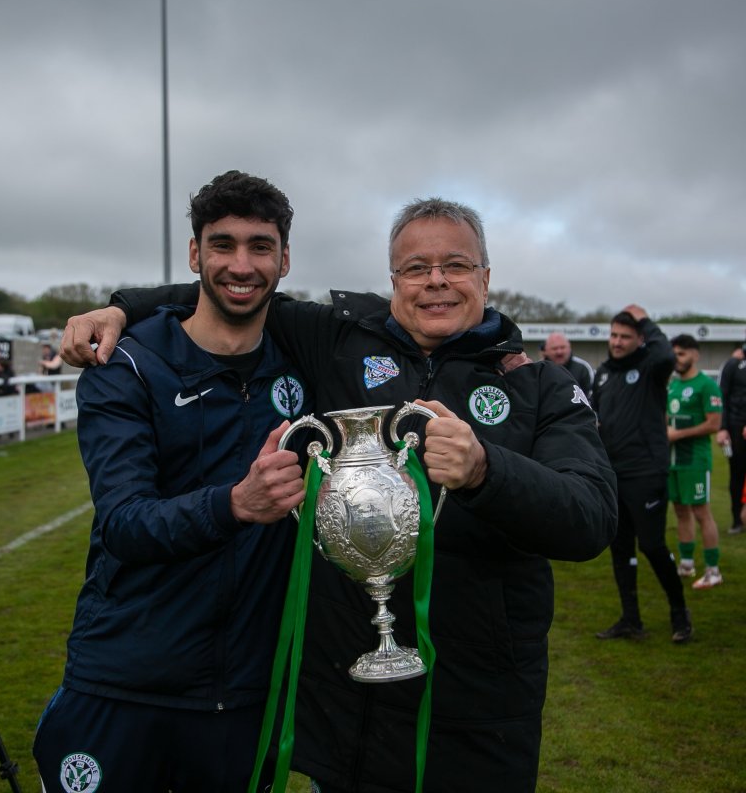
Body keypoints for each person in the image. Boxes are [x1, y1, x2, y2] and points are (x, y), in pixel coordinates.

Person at [61, 197, 617, 792]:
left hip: (478, 713)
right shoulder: (336, 341)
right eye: (415, 268)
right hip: (348, 713)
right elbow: (238, 284)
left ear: (486, 277)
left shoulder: (539, 386)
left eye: (455, 265)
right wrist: (119, 309)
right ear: (392, 280)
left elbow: (590, 518)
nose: (436, 282)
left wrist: (486, 469)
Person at [34, 171, 312, 793]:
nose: (241, 264)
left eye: (260, 247)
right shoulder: (127, 364)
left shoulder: (304, 359)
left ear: (285, 259)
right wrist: (237, 504)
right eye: (222, 245)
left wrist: (504, 346)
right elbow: (125, 522)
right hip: (125, 682)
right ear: (195, 254)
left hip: (244, 695)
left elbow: (404, 319)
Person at [592, 306, 692, 644]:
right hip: (613, 474)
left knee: (651, 544)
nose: (617, 342)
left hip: (645, 472)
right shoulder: (604, 372)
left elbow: (667, 355)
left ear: (640, 339)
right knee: (620, 549)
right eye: (614, 335)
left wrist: (647, 321)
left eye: (625, 337)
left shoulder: (651, 366)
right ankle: (630, 619)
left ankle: (680, 614)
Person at [667, 334, 723, 588]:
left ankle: (713, 570)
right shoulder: (673, 385)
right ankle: (686, 563)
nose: (677, 359)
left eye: (681, 353)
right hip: (673, 459)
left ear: (695, 355)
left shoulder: (706, 385)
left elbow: (714, 424)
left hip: (695, 459)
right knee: (680, 510)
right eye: (674, 354)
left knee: (702, 512)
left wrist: (678, 434)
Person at [716, 339, 746, 535]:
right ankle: (737, 520)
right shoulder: (733, 364)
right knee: (737, 474)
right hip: (736, 429)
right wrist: (723, 428)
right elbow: (723, 397)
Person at [542, 331, 594, 397]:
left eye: (562, 347)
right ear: (546, 350)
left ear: (569, 348)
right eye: (554, 348)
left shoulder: (583, 368)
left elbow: (590, 397)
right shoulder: (540, 369)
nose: (559, 352)